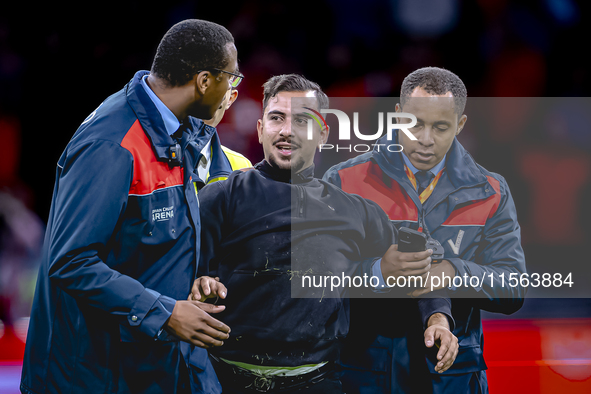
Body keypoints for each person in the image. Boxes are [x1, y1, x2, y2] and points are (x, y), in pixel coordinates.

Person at [193, 74, 458, 393]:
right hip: (221, 381)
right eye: (277, 118)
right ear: (262, 129)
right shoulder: (220, 197)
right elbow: (174, 272)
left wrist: (438, 318)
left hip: (320, 382)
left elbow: (419, 262)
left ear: (322, 135)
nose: (287, 131)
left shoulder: (355, 210)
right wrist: (193, 286)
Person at [21, 19, 241, 394]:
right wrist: (166, 312)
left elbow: (144, 242)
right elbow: (71, 262)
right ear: (204, 81)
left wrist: (191, 279)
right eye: (231, 79)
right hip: (94, 374)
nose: (233, 90)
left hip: (148, 364)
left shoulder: (172, 124)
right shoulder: (112, 145)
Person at [323, 67, 526, 393]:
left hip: (452, 377)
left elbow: (512, 287)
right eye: (415, 124)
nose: (426, 139)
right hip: (361, 373)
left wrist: (453, 272)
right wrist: (376, 272)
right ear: (397, 116)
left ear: (460, 125)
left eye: (441, 127)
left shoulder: (491, 191)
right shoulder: (344, 180)